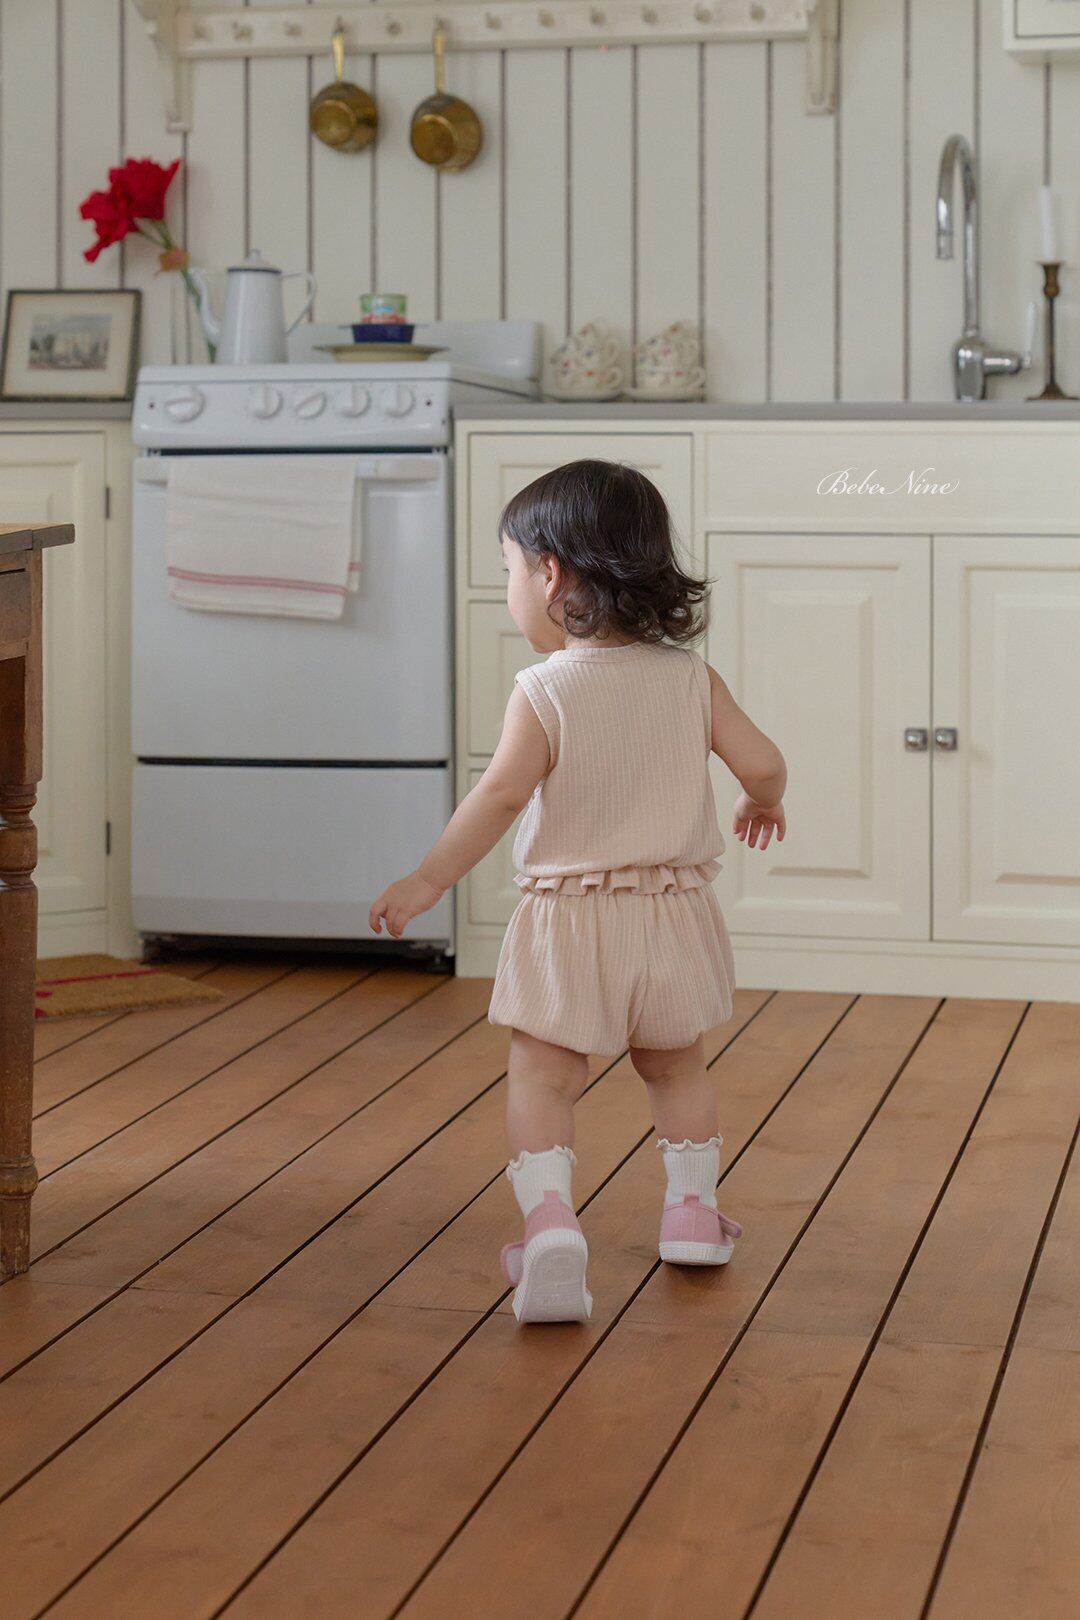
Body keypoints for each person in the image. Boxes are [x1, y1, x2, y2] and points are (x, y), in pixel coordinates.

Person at [370, 459, 786, 1324]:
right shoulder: (690, 678)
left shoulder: (546, 690)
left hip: (568, 923)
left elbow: (500, 798)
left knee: (545, 1078)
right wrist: (761, 799)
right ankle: (692, 1215)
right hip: (672, 916)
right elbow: (764, 762)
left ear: (551, 574)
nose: (511, 590)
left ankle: (552, 1225)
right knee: (676, 1067)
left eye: (510, 570)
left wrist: (427, 878)